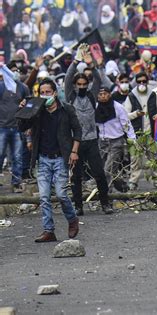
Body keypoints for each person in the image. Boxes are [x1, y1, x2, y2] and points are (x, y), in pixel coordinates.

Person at [17, 78, 81, 243]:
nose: (45, 95)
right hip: (43, 159)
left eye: (48, 92)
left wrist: (74, 151)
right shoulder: (37, 109)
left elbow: (77, 130)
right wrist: (24, 111)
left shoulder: (66, 109)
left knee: (61, 194)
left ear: (55, 92)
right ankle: (48, 230)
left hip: (61, 158)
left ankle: (72, 219)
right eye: (42, 92)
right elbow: (22, 127)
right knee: (44, 197)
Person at [64, 44, 112, 216]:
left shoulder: (92, 96)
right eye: (79, 84)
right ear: (76, 85)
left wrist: (91, 64)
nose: (82, 86)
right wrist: (76, 61)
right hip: (75, 142)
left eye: (84, 84)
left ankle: (105, 204)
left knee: (99, 174)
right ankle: (78, 206)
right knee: (76, 177)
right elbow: (68, 79)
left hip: (92, 140)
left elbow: (98, 80)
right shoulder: (71, 96)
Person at [123, 72, 157, 190]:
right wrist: (136, 114)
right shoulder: (131, 96)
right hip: (137, 133)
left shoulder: (153, 94)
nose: (142, 84)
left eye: (144, 81)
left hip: (150, 133)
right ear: (136, 82)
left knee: (154, 158)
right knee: (135, 160)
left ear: (147, 82)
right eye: (139, 81)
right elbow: (126, 115)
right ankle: (133, 182)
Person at [96, 86, 136, 193]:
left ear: (110, 94)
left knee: (107, 170)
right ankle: (122, 186)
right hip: (102, 142)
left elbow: (126, 124)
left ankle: (107, 196)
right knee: (106, 170)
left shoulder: (118, 107)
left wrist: (132, 139)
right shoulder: (96, 108)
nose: (103, 96)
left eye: (105, 94)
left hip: (116, 142)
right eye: (100, 94)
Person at [0, 63, 29, 192]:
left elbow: (29, 106)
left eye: (16, 71)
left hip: (17, 127)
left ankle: (16, 182)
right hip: (2, 127)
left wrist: (27, 125)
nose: (15, 73)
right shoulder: (1, 87)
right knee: (0, 155)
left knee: (17, 156)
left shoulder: (23, 88)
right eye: (12, 71)